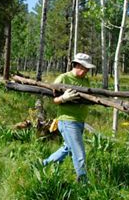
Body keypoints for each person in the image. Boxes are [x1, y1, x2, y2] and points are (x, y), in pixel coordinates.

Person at [42, 53, 96, 182]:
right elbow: (53, 99)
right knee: (79, 153)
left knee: (67, 148)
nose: (86, 71)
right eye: (84, 68)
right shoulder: (63, 78)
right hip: (67, 121)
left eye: (88, 69)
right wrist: (63, 98)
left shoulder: (85, 80)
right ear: (77, 65)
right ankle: (83, 182)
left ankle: (43, 164)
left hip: (80, 121)